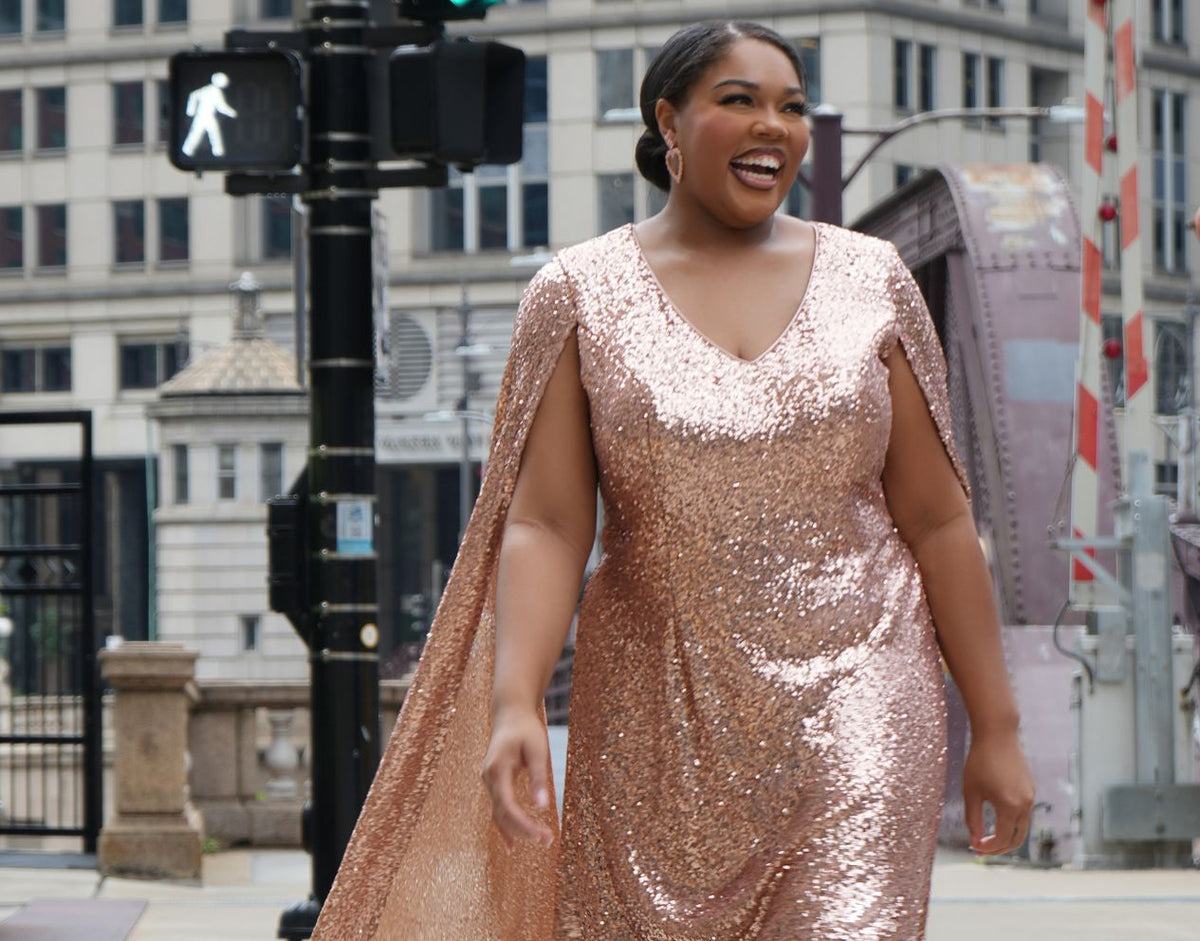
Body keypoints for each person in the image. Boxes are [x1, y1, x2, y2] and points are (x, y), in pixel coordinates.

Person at [313, 20, 1034, 940]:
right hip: (654, 721)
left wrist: (997, 728)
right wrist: (515, 700)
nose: (774, 125)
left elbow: (939, 521)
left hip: (861, 700)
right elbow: (546, 525)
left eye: (792, 107)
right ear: (669, 122)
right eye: (739, 101)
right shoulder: (580, 292)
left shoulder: (873, 280)